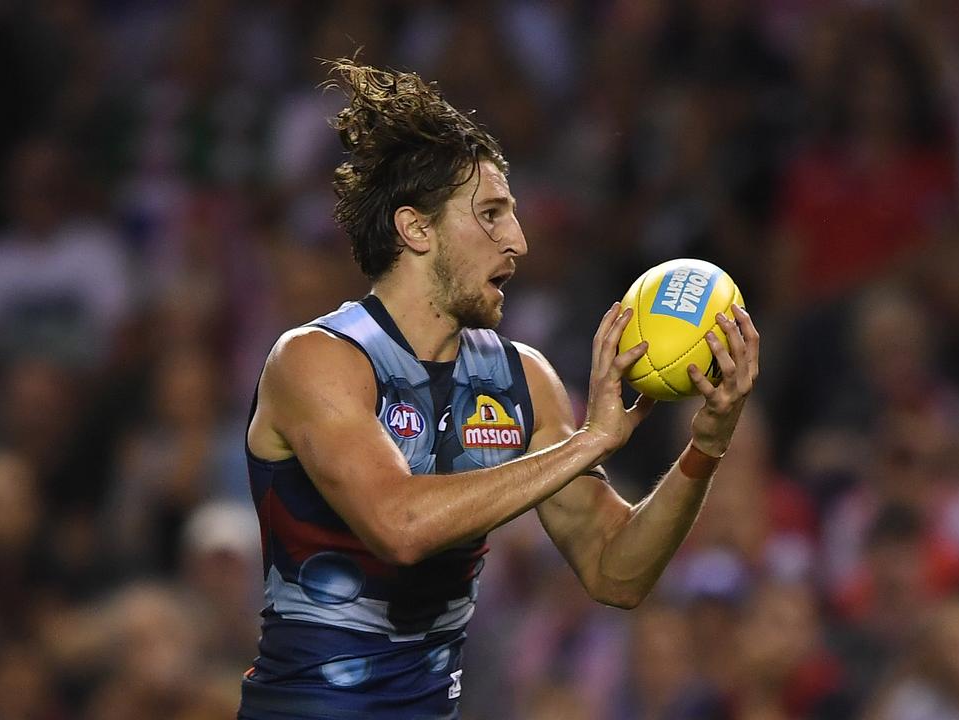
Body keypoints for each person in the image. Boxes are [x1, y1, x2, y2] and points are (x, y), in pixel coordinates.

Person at [240, 59, 759, 719]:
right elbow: (398, 524)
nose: (517, 241)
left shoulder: (522, 381)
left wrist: (704, 449)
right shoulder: (316, 360)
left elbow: (615, 573)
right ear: (416, 228)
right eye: (490, 214)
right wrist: (589, 441)